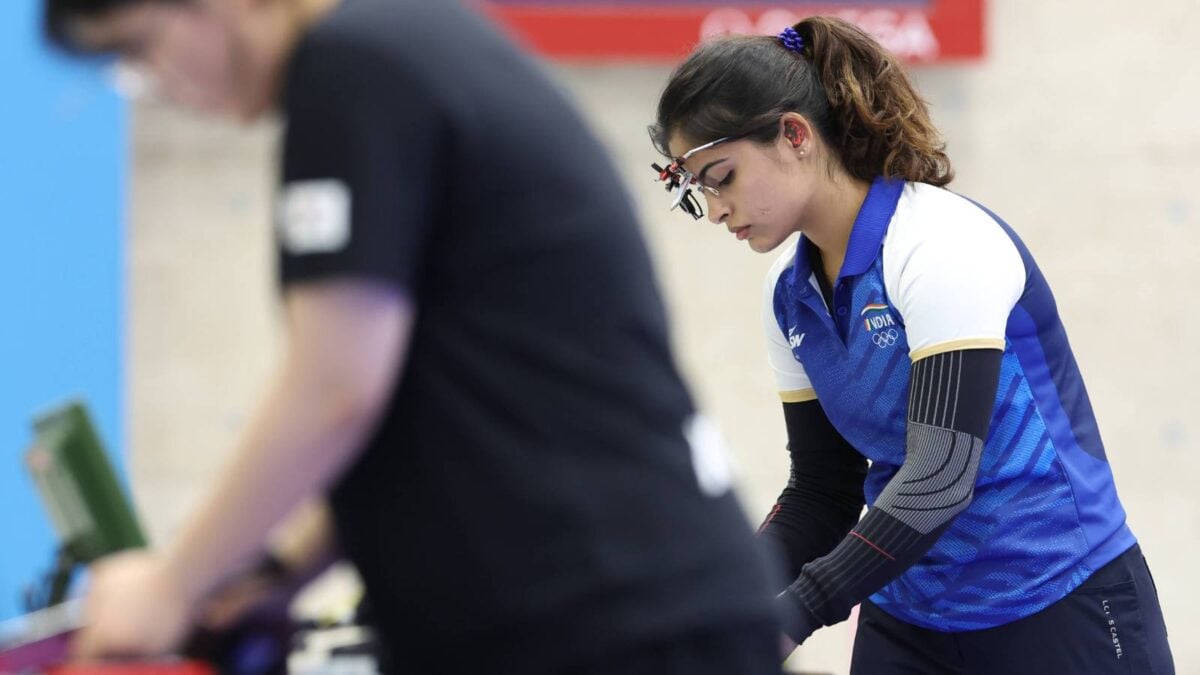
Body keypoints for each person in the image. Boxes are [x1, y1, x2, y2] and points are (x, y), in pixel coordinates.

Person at [43, 0, 784, 672]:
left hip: (608, 624)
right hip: (619, 610)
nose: (155, 81)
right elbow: (409, 409)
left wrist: (174, 585)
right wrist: (274, 572)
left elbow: (336, 387)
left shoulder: (351, 63)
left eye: (139, 47)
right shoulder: (407, 48)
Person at [649, 17, 1175, 675]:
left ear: (794, 134)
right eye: (699, 191)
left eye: (721, 175)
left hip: (1060, 600)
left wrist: (793, 614)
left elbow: (940, 476)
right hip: (911, 621)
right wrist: (722, 601)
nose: (716, 207)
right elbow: (822, 492)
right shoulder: (787, 296)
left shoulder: (938, 244)